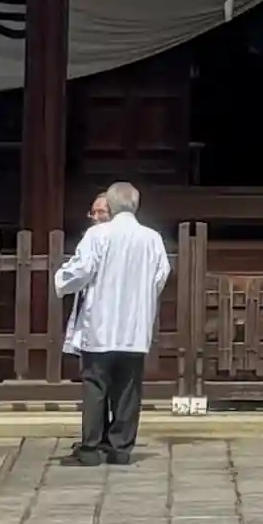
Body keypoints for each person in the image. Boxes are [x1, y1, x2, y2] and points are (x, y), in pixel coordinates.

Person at [53, 179, 169, 465]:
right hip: (134, 327)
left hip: (101, 324)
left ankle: (90, 448)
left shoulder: (98, 235)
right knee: (128, 389)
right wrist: (142, 299)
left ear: (112, 205)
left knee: (95, 385)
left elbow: (82, 270)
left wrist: (61, 279)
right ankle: (120, 448)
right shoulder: (152, 238)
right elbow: (160, 276)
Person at [61, 193, 109, 367]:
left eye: (101, 212)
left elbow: (82, 269)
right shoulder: (91, 236)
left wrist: (61, 280)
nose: (95, 217)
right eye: (93, 213)